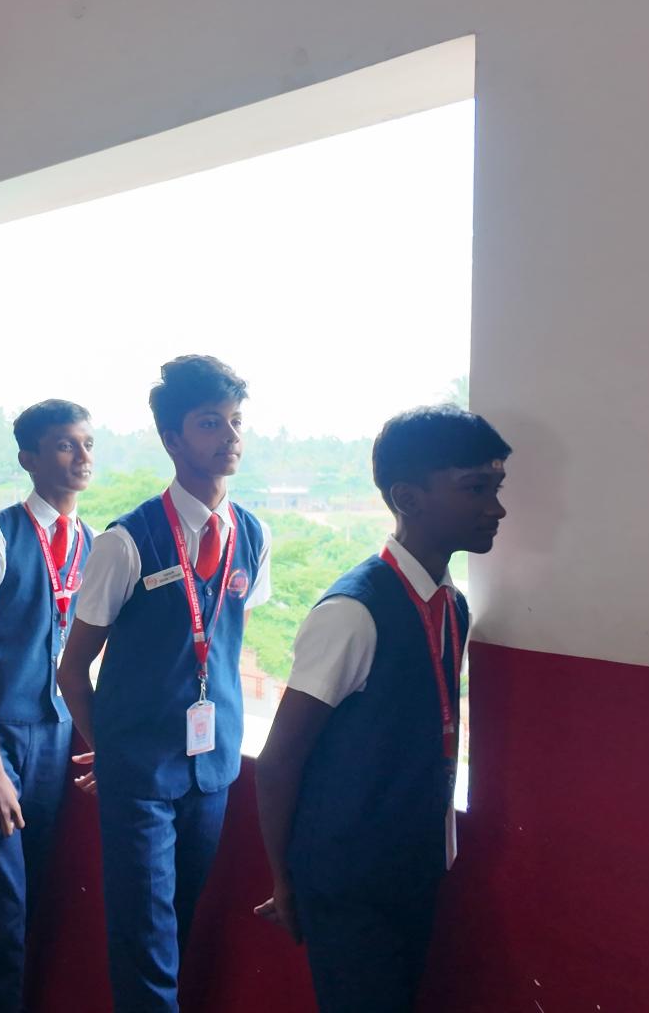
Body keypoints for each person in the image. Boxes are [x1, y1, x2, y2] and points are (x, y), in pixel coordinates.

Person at [254, 405, 509, 1013]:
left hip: (410, 866)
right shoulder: (353, 612)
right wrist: (286, 880)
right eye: (476, 488)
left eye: (495, 488)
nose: (496, 508)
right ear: (408, 498)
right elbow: (279, 761)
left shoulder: (451, 604)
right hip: (348, 878)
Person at [56, 355, 272, 1013]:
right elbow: (72, 669)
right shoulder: (128, 541)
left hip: (212, 767)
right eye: (210, 423)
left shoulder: (253, 535)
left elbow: (227, 641)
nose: (229, 436)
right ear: (173, 440)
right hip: (141, 773)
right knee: (145, 935)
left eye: (236, 422)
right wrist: (113, 751)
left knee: (178, 919)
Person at [0, 400, 95, 1012]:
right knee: (2, 897)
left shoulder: (91, 541)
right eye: (64, 444)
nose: (81, 456)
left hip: (55, 735)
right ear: (29, 458)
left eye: (87, 444)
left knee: (37, 887)